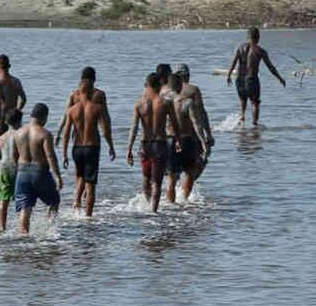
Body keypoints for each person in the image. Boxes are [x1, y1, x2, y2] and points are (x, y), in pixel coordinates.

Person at [61, 67, 116, 217]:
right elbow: (105, 128)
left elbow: (66, 132)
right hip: (92, 146)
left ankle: (75, 204)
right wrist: (111, 146)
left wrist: (64, 153)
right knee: (90, 185)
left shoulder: (72, 108)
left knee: (79, 177)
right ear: (92, 85)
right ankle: (88, 217)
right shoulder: (98, 104)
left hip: (76, 147)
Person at [127, 73, 180, 213]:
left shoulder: (139, 103)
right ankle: (153, 212)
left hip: (144, 144)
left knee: (145, 178)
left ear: (147, 85)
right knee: (157, 182)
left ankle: (148, 203)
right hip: (160, 145)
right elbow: (175, 124)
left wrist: (129, 149)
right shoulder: (165, 103)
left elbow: (134, 128)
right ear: (159, 85)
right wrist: (178, 140)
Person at [13, 103, 64, 233]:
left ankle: (23, 237)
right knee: (54, 201)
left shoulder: (18, 133)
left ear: (31, 116)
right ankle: (49, 230)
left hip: (22, 172)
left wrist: (17, 172)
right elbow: (50, 156)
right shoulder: (45, 134)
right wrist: (57, 176)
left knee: (25, 208)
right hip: (39, 172)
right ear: (44, 117)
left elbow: (14, 156)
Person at [165, 72, 211, 203]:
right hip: (187, 140)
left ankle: (170, 205)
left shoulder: (163, 100)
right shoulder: (188, 101)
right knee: (190, 173)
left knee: (171, 177)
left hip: (169, 140)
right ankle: (183, 201)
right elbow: (196, 123)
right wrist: (203, 141)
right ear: (180, 85)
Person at [225, 27, 286, 125]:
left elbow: (233, 63)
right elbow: (270, 67)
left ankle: (242, 122)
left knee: (242, 101)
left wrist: (228, 75)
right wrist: (280, 78)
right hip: (251, 80)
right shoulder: (260, 51)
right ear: (258, 37)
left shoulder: (240, 48)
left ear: (247, 36)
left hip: (239, 80)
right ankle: (254, 126)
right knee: (255, 103)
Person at [0, 109, 22, 232]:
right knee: (21, 198)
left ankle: (2, 227)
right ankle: (21, 226)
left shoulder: (1, 138)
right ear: (19, 121)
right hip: (16, 169)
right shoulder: (20, 135)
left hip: (4, 169)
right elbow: (19, 154)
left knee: (3, 199)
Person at [0, 54, 26, 151]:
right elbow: (23, 99)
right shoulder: (16, 81)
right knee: (15, 147)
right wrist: (17, 112)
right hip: (14, 119)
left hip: (2, 117)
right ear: (9, 66)